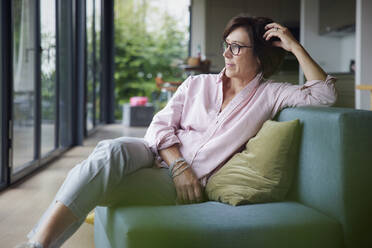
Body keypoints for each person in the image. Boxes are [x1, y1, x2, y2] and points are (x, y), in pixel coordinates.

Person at [16, 15, 336, 248]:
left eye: (237, 48)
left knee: (95, 177)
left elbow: (324, 95)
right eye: (226, 45)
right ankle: (38, 246)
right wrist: (178, 163)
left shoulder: (271, 94)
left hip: (184, 185)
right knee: (111, 151)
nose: (226, 54)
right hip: (156, 154)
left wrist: (294, 46)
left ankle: (37, 245)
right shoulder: (198, 83)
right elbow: (159, 125)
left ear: (261, 56)